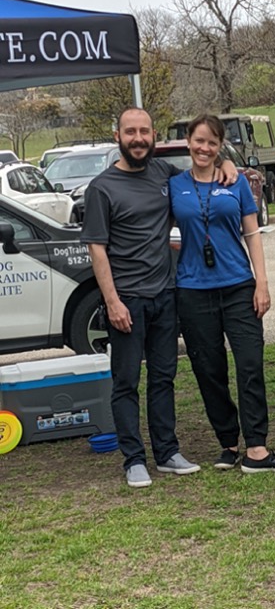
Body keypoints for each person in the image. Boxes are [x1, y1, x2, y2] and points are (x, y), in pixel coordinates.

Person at [81, 107, 237, 488]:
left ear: (154, 136)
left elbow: (202, 171)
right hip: (127, 300)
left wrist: (227, 162)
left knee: (164, 377)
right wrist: (113, 302)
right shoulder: (101, 188)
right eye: (130, 132)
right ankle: (134, 459)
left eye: (144, 131)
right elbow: (97, 251)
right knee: (126, 381)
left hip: (167, 294)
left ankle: (166, 452)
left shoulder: (164, 175)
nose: (138, 138)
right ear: (117, 135)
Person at [170, 113, 275, 473]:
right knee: (208, 370)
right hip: (193, 291)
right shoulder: (176, 186)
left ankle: (256, 448)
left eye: (212, 142)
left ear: (219, 146)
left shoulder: (236, 181)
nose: (204, 148)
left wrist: (262, 282)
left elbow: (252, 233)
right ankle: (228, 442)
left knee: (249, 364)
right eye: (199, 140)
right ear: (188, 142)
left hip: (239, 287)